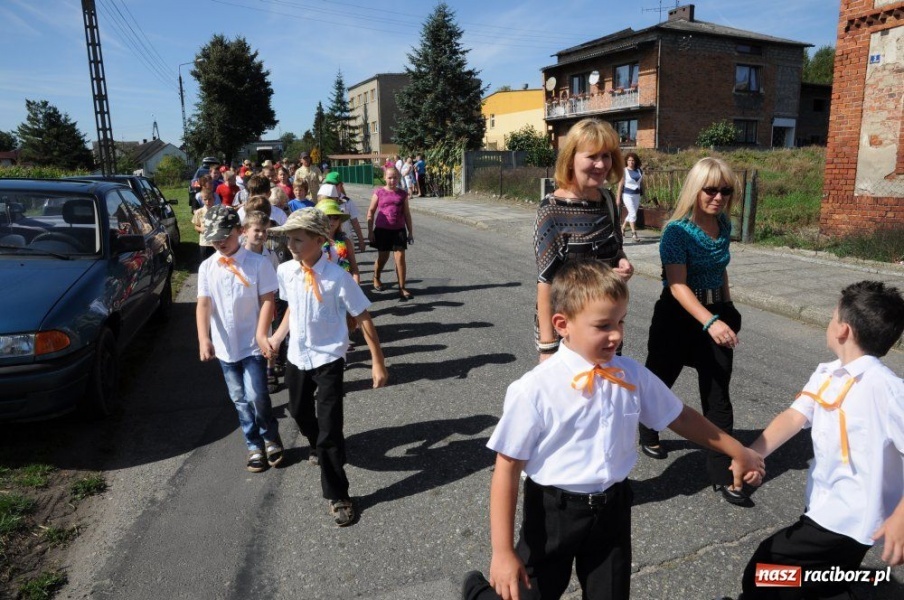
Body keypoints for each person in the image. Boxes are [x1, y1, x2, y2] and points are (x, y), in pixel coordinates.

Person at [462, 260, 765, 600]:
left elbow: (680, 417)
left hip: (612, 509)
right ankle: (478, 593)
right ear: (562, 325)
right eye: (603, 325)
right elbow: (507, 468)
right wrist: (502, 552)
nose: (617, 334)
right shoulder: (535, 389)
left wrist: (736, 449)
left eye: (621, 321)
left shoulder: (630, 374)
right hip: (553, 514)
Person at [737, 281, 904, 600]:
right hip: (825, 505)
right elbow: (794, 416)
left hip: (849, 517)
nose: (828, 324)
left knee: (766, 570)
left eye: (831, 318)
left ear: (842, 330)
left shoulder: (888, 389)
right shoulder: (828, 373)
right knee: (817, 575)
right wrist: (753, 453)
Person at [259, 209, 388, 527]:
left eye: (298, 239)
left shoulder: (337, 278)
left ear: (319, 240)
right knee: (298, 410)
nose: (290, 244)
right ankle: (318, 443)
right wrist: (276, 337)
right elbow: (290, 309)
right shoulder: (287, 271)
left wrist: (377, 361)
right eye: (288, 237)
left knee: (330, 429)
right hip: (298, 357)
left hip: (329, 358)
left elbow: (363, 317)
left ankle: (338, 494)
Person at [637, 157, 747, 504]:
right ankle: (648, 427)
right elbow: (677, 286)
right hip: (677, 317)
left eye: (725, 191)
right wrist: (710, 321)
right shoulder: (676, 231)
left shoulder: (723, 224)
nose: (719, 197)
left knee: (718, 394)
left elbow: (721, 268)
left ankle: (725, 471)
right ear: (695, 190)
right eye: (710, 190)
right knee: (659, 381)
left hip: (715, 312)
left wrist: (727, 308)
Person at [534, 118, 633, 363]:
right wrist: (547, 349)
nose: (601, 164)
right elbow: (546, 283)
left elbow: (615, 248)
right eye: (592, 156)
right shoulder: (552, 210)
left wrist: (622, 263)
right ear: (571, 159)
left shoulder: (607, 200)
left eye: (607, 155)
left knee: (606, 396)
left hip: (606, 328)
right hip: (570, 334)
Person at [196, 205, 283, 473]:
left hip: (253, 343)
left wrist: (262, 333)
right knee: (238, 398)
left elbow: (268, 300)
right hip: (225, 347)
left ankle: (270, 437)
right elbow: (203, 304)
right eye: (214, 237)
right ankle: (253, 444)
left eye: (226, 235)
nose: (220, 242)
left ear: (240, 231)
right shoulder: (207, 267)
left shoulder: (258, 264)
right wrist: (203, 338)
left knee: (257, 394)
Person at [242, 209, 283, 394]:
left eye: (265, 231)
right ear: (245, 231)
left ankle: (270, 369)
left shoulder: (271, 255)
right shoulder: (238, 255)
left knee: (269, 335)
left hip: (268, 303)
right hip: (247, 305)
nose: (261, 234)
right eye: (257, 230)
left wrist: (275, 301)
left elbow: (277, 280)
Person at [366, 166, 414, 301]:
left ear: (398, 178)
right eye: (389, 177)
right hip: (382, 230)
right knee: (383, 258)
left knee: (400, 258)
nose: (392, 180)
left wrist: (410, 232)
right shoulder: (379, 192)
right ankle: (376, 277)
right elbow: (371, 211)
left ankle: (402, 287)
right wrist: (370, 231)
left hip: (398, 230)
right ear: (384, 178)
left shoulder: (402, 194)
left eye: (395, 177)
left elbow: (407, 214)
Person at [615, 152, 644, 241]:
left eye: (633, 160)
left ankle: (623, 227)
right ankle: (634, 233)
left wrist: (644, 195)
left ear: (635, 161)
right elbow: (620, 185)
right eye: (629, 160)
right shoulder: (624, 171)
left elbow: (642, 184)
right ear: (626, 161)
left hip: (637, 195)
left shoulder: (639, 171)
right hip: (627, 195)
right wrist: (618, 198)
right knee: (633, 213)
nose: (631, 162)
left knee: (632, 214)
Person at [191, 177, 218, 262]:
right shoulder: (199, 212)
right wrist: (201, 229)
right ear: (202, 200)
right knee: (205, 263)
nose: (208, 201)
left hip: (217, 242)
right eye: (205, 199)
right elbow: (196, 226)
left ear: (214, 199)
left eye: (210, 199)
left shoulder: (219, 211)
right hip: (204, 242)